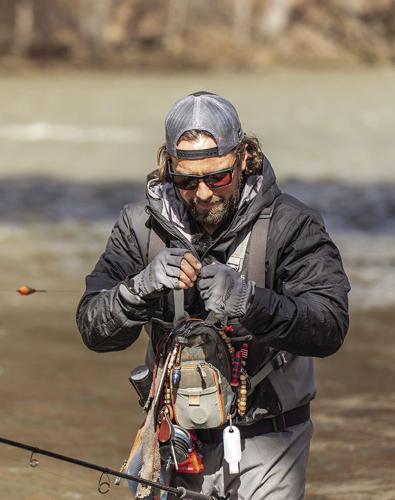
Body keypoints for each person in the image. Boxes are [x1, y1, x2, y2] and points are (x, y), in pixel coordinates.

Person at [76, 91, 350, 499]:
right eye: (187, 181)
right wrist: (138, 291)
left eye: (217, 177)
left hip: (270, 440)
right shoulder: (137, 229)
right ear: (168, 168)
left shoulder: (293, 225)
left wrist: (249, 302)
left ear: (243, 158)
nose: (203, 193)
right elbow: (92, 328)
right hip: (175, 444)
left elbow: (329, 325)